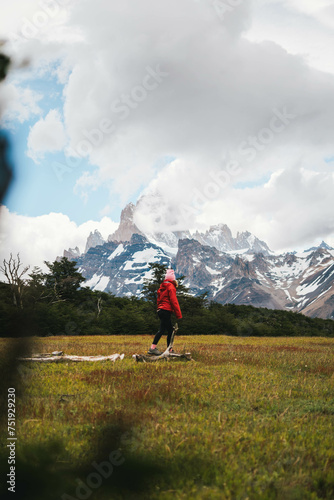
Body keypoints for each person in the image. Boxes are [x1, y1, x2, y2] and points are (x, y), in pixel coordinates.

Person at [148, 269, 182, 355]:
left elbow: (159, 300)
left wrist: (158, 309)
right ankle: (168, 350)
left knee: (162, 329)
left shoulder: (161, 287)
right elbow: (174, 301)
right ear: (173, 279)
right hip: (166, 310)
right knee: (170, 331)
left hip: (160, 310)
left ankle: (154, 348)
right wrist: (178, 314)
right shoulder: (171, 287)